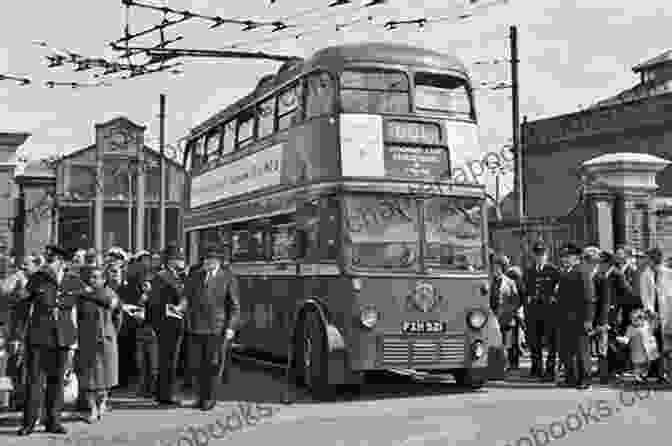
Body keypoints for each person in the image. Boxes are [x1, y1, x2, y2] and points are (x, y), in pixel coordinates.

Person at [14, 245, 92, 436]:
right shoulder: (37, 279)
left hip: (63, 337)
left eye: (52, 261)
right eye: (47, 260)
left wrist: (113, 302)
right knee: (34, 381)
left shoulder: (73, 281)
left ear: (63, 262)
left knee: (57, 382)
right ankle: (29, 423)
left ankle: (53, 422)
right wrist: (17, 336)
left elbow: (91, 299)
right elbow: (22, 307)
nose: (48, 264)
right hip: (39, 337)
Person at [182, 246, 241, 410]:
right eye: (205, 260)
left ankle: (210, 399)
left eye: (211, 260)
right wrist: (181, 308)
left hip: (217, 328)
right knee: (198, 365)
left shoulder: (228, 278)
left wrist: (231, 327)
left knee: (213, 365)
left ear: (218, 262)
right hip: (197, 327)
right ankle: (200, 398)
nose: (207, 263)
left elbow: (234, 306)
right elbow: (187, 297)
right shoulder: (195, 276)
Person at [76, 266, 120, 423]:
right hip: (87, 341)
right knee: (89, 378)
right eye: (91, 277)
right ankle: (92, 408)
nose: (93, 280)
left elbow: (117, 315)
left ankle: (102, 403)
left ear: (103, 279)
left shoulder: (110, 294)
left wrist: (111, 333)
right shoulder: (82, 296)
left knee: (105, 377)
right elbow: (78, 318)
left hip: (105, 340)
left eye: (97, 277)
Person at [147, 244, 186, 407]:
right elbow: (162, 301)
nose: (182, 261)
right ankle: (165, 395)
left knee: (168, 360)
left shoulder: (172, 275)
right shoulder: (164, 277)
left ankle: (163, 393)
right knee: (168, 361)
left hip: (170, 322)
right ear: (172, 261)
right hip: (168, 324)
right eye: (179, 258)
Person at [557, 244, 598, 390]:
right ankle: (571, 378)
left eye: (567, 257)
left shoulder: (582, 271)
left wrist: (588, 319)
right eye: (563, 257)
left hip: (579, 318)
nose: (564, 259)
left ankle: (585, 379)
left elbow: (589, 297)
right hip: (566, 318)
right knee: (568, 349)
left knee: (582, 350)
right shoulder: (566, 271)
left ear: (575, 257)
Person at [523, 241, 561, 380]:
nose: (540, 257)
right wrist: (527, 299)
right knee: (534, 341)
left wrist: (553, 298)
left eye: (542, 254)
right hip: (534, 311)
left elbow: (560, 290)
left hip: (549, 311)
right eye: (537, 254)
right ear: (533, 255)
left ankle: (550, 369)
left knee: (551, 342)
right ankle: (536, 368)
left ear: (547, 254)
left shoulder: (553, 270)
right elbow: (525, 289)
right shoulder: (529, 270)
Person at [638, 247, 671, 384]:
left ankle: (663, 373)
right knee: (652, 343)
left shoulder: (668, 273)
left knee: (666, 344)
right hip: (652, 313)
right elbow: (644, 294)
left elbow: (669, 294)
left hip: (667, 312)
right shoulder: (645, 274)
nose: (647, 261)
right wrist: (649, 309)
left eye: (649, 259)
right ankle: (654, 371)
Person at [490, 255, 520, 372]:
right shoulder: (489, 281)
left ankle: (504, 365)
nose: (495, 269)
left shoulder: (510, 282)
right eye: (494, 267)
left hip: (506, 317)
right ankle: (495, 365)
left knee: (506, 343)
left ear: (502, 268)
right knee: (494, 342)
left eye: (498, 267)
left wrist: (510, 312)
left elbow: (515, 300)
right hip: (492, 316)